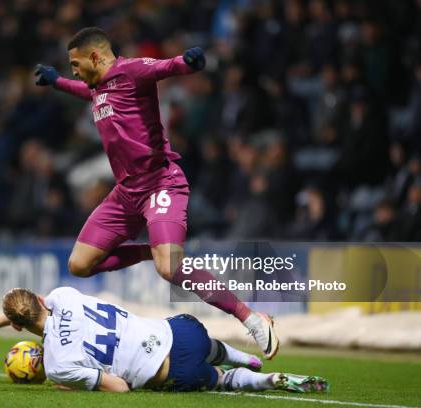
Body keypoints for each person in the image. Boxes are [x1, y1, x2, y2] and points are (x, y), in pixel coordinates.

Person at [34, 27, 279, 358]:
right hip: (125, 192)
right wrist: (57, 82)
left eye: (75, 64)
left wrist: (188, 62)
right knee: (80, 264)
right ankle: (151, 250)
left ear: (95, 56)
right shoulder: (98, 89)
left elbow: (166, 67)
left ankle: (251, 319)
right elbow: (84, 90)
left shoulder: (132, 71)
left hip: (160, 182)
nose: (74, 71)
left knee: (170, 268)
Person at [0, 287, 329, 393]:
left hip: (174, 371)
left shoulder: (56, 366)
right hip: (181, 331)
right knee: (210, 347)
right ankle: (248, 358)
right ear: (40, 299)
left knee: (217, 380)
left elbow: (118, 387)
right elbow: (35, 304)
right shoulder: (64, 294)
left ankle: (262, 381)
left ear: (18, 328)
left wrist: (71, 386)